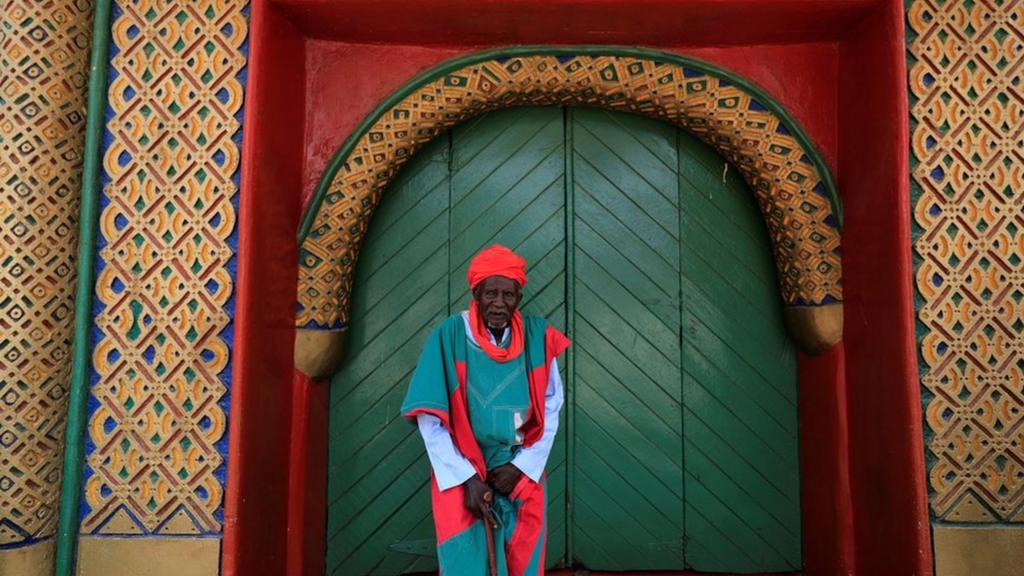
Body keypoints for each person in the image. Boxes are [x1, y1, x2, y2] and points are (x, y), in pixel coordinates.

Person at [401, 244, 571, 576]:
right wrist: (466, 479)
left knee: (524, 557)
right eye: (490, 293)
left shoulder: (538, 338)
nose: (498, 303)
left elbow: (551, 407)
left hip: (519, 469)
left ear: (518, 297)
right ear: (475, 294)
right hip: (461, 468)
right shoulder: (449, 336)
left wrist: (521, 468)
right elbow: (429, 417)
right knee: (465, 561)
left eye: (508, 295)